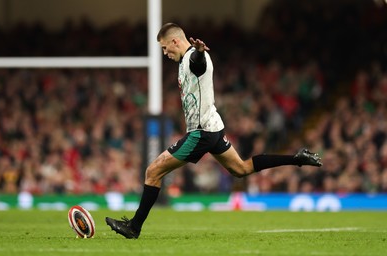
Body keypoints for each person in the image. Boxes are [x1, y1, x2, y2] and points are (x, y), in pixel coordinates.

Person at [105, 23, 322, 239]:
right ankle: (297, 158)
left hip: (201, 132)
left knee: (153, 172)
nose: (164, 52)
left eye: (164, 48)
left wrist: (199, 52)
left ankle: (134, 227)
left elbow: (197, 63)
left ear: (175, 41)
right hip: (213, 128)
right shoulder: (183, 61)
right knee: (241, 169)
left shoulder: (193, 58)